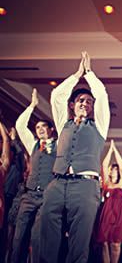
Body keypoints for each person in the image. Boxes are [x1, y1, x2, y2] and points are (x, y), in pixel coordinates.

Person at [39, 51, 110, 263]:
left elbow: (102, 96)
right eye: (81, 100)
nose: (85, 104)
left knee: (79, 242)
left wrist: (88, 74)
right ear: (72, 105)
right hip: (58, 183)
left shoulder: (99, 126)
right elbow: (56, 96)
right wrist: (76, 75)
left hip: (85, 187)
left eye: (89, 102)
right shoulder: (63, 125)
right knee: (47, 234)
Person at [11, 89, 57, 263]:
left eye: (44, 127)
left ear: (51, 129)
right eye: (37, 127)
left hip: (46, 197)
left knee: (38, 239)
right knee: (18, 237)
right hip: (29, 196)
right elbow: (20, 125)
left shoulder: (59, 145)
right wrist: (32, 106)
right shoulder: (33, 144)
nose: (40, 130)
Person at [97, 140, 122, 263]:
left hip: (120, 214)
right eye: (112, 169)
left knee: (116, 243)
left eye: (115, 169)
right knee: (104, 243)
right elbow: (104, 165)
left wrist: (115, 150)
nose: (113, 170)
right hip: (106, 214)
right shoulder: (106, 183)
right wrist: (109, 150)